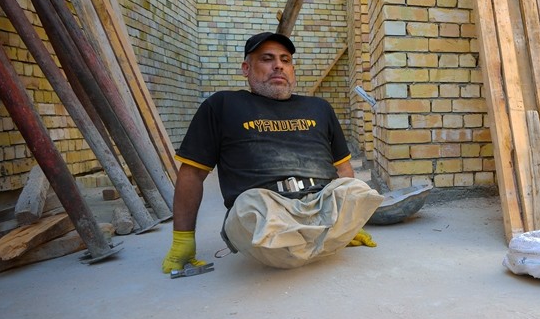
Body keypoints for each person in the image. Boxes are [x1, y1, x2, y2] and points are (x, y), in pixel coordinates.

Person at [161, 32, 385, 272]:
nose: (278, 65)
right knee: (249, 208)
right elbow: (191, 173)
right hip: (266, 208)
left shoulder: (319, 107)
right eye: (267, 59)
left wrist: (351, 218)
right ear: (246, 68)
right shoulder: (222, 105)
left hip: (320, 202)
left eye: (285, 60)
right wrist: (182, 239)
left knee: (357, 190)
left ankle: (312, 239)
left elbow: (343, 169)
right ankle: (321, 238)